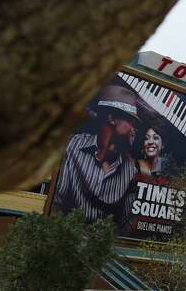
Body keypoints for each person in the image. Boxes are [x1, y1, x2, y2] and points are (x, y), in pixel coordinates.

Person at [52, 83, 141, 231]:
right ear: (112, 118)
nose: (134, 130)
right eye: (131, 121)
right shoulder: (71, 147)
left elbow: (125, 224)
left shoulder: (130, 171)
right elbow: (54, 203)